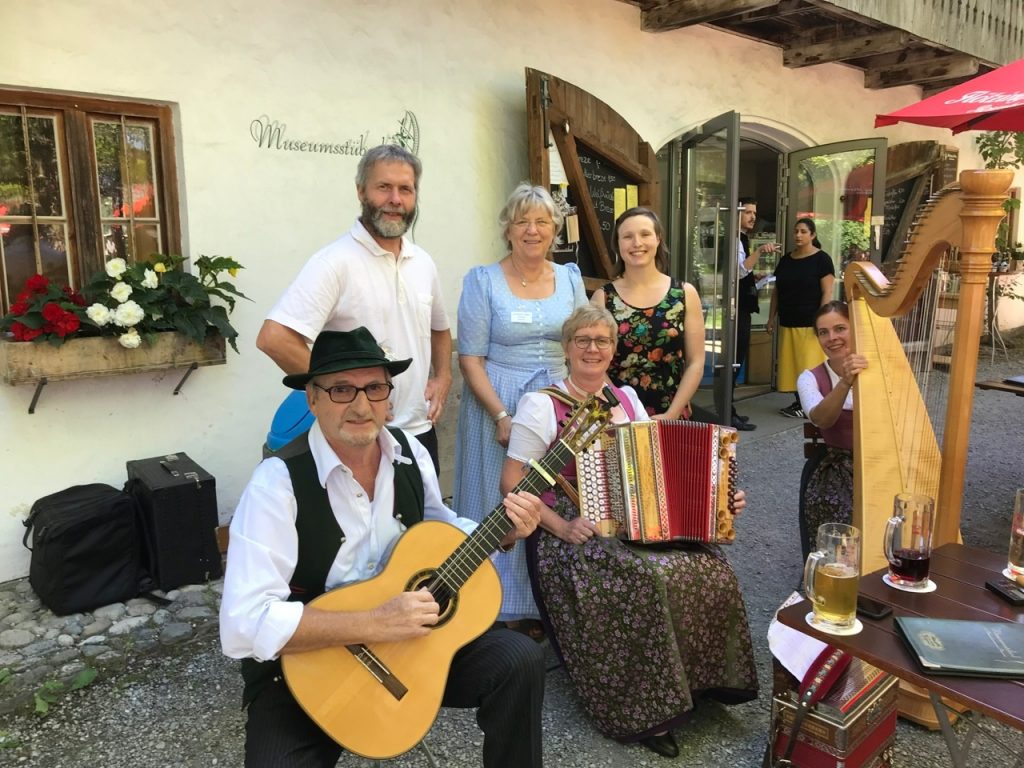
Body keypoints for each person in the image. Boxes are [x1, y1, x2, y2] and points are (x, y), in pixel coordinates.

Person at [220, 327, 546, 768]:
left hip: (409, 653)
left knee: (520, 659)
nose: (360, 405)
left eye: (374, 388)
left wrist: (503, 531)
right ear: (311, 399)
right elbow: (244, 623)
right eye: (341, 389)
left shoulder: (410, 454)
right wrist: (373, 622)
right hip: (307, 672)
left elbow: (441, 531)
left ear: (388, 396)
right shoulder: (276, 485)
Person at [500, 305, 758, 759]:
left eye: (602, 341)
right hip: (570, 530)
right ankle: (644, 709)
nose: (592, 349)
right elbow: (513, 482)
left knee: (710, 568)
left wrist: (720, 501)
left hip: (634, 521)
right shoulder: (541, 405)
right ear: (567, 349)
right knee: (647, 581)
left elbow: (657, 466)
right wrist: (561, 525)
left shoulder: (626, 400)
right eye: (582, 340)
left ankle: (699, 683)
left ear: (614, 350)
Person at [256, 144, 452, 473]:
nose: (395, 199)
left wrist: (444, 377)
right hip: (361, 442)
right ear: (361, 191)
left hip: (419, 435)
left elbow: (441, 330)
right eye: (383, 187)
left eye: (406, 189)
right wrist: (346, 392)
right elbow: (274, 338)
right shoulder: (335, 262)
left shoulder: (423, 263)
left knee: (422, 525)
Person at [453, 182, 587, 631]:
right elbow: (470, 357)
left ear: (554, 230)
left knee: (551, 496)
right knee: (498, 497)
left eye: (542, 222)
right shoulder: (482, 280)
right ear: (508, 229)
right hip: (499, 400)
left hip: (555, 400)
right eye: (522, 221)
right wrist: (500, 414)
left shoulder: (569, 278)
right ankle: (487, 604)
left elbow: (584, 338)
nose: (532, 230)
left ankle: (542, 602)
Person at [590, 207, 708, 423]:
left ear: (658, 239)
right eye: (627, 236)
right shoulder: (603, 299)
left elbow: (696, 362)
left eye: (645, 234)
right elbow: (594, 362)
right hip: (616, 416)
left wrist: (672, 413)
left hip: (672, 414)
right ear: (618, 244)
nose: (637, 243)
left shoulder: (684, 294)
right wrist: (620, 410)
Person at [795, 301, 867, 560]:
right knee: (839, 519)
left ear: (855, 329)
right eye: (823, 332)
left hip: (877, 463)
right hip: (834, 467)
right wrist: (846, 381)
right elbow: (822, 420)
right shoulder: (810, 378)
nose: (832, 338)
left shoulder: (879, 370)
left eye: (840, 328)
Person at [767, 217, 835, 419]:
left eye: (803, 231)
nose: (798, 235)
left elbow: (827, 292)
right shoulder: (786, 260)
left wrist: (821, 322)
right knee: (794, 365)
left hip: (810, 322)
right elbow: (776, 292)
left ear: (813, 235)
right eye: (796, 231)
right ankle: (800, 403)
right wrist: (771, 318)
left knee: (809, 365)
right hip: (788, 321)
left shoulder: (822, 260)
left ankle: (814, 405)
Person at [733, 198, 779, 430]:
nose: (752, 217)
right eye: (748, 212)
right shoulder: (734, 238)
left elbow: (744, 271)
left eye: (754, 212)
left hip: (742, 305)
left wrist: (755, 278)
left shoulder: (742, 238)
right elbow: (739, 270)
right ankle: (727, 412)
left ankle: (729, 409)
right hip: (736, 308)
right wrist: (761, 250)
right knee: (734, 357)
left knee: (738, 357)